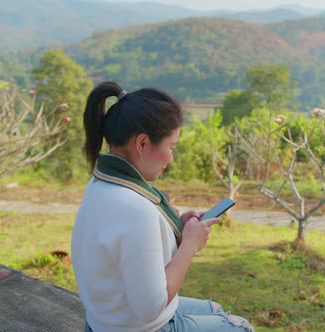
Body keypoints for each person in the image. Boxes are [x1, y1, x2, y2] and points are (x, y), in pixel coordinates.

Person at [71, 81, 254, 332]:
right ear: (143, 143)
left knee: (215, 310)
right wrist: (189, 245)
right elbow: (151, 308)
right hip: (140, 327)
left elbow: (128, 253)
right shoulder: (136, 209)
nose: (171, 158)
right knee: (241, 327)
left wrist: (176, 229)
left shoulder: (100, 184)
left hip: (104, 321)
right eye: (171, 147)